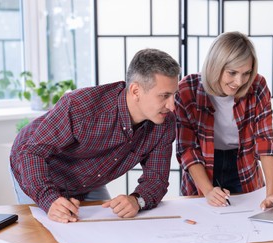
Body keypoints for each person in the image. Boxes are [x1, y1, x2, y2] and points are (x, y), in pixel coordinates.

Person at [10, 48, 181, 223]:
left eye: (174, 95)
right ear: (136, 91)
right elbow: (31, 154)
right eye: (164, 96)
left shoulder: (164, 122)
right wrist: (50, 201)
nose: (172, 105)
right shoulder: (80, 107)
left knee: (104, 230)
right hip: (37, 168)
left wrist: (137, 200)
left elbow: (157, 179)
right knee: (46, 237)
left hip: (89, 179)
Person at [175, 31, 273, 211]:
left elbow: (265, 141)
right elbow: (187, 150)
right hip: (202, 167)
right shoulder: (187, 90)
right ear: (215, 66)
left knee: (249, 219)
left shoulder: (257, 86)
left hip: (243, 163)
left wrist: (272, 193)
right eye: (232, 73)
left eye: (246, 73)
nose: (239, 82)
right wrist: (207, 190)